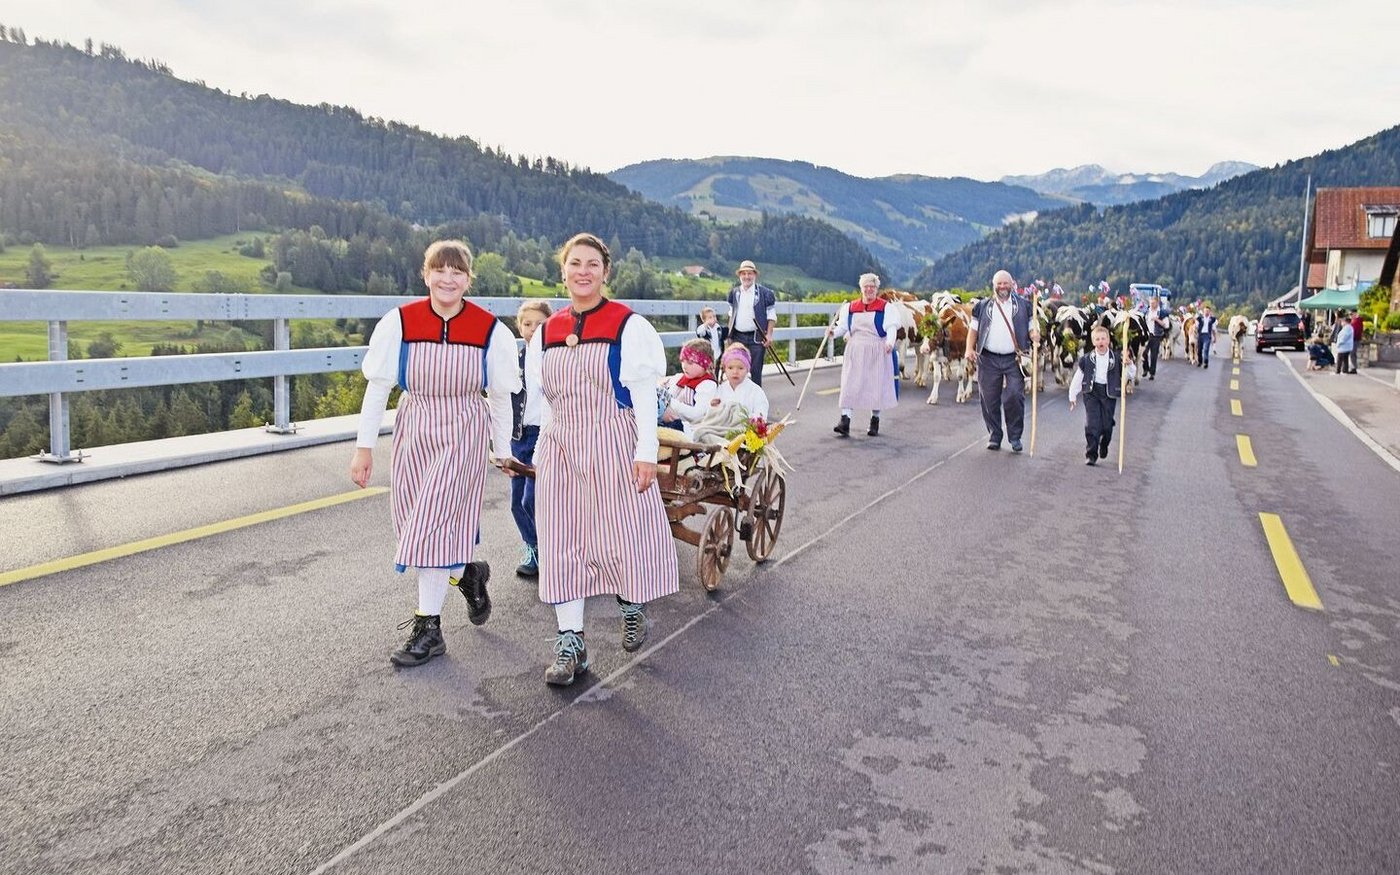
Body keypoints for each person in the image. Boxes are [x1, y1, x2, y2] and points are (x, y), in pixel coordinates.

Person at [350, 239, 520, 668]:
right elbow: (378, 388)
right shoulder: (400, 322)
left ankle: (429, 628)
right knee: (417, 524)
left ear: (468, 279)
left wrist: (502, 449)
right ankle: (467, 574)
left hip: (463, 429)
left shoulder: (489, 330)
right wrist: (364, 448)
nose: (448, 278)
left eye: (457, 271)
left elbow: (501, 397)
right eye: (439, 270)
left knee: (430, 525)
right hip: (414, 427)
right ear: (425, 275)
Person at [519, 233, 679, 687]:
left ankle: (631, 604)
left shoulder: (627, 325)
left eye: (592, 264)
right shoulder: (547, 332)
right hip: (563, 443)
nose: (583, 271)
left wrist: (645, 453)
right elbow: (542, 400)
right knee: (561, 540)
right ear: (563, 271)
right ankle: (571, 643)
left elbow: (643, 395)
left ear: (606, 272)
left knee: (618, 532)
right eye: (575, 263)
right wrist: (539, 448)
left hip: (612, 437)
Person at [965, 269, 1040, 452]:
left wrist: (1034, 335)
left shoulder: (1024, 306)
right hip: (988, 358)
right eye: (999, 284)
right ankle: (995, 435)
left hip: (1015, 358)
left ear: (1012, 284)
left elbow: (1032, 327)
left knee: (1014, 396)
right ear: (994, 286)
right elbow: (973, 330)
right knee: (988, 399)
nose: (1002, 286)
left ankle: (1015, 437)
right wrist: (969, 348)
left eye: (1005, 283)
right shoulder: (982, 306)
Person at [510, 299, 552, 578]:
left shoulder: (553, 358)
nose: (534, 329)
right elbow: (502, 399)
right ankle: (533, 548)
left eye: (540, 324)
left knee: (532, 499)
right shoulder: (514, 360)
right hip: (518, 437)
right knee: (517, 502)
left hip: (543, 434)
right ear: (519, 327)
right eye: (528, 324)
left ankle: (552, 547)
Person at [826, 273, 898, 437]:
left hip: (876, 349)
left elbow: (891, 327)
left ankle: (874, 420)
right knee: (849, 383)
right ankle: (845, 420)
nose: (869, 289)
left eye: (872, 286)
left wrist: (890, 342)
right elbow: (843, 327)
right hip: (855, 349)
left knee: (875, 385)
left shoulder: (885, 308)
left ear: (876, 289)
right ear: (861, 288)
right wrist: (833, 333)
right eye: (866, 286)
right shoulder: (851, 307)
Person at [1068, 324, 1136, 466]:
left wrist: (1129, 364)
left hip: (1108, 393)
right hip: (1091, 393)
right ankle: (1091, 454)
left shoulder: (1116, 358)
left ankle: (1104, 443)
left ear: (1108, 340)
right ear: (1093, 342)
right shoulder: (1086, 359)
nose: (1100, 342)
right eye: (1097, 339)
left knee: (1106, 425)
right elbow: (1078, 377)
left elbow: (1130, 375)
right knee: (1092, 424)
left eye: (1103, 339)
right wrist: (1072, 395)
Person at [725, 259, 777, 386]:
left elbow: (771, 315)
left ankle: (756, 396)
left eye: (749, 273)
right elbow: (731, 314)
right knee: (736, 369)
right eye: (743, 273)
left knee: (756, 371)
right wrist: (728, 335)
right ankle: (737, 395)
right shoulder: (734, 293)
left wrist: (769, 335)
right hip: (737, 337)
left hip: (757, 337)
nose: (746, 277)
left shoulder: (765, 293)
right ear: (739, 275)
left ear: (755, 275)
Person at [659, 338, 719, 437]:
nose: (685, 366)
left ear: (705, 364)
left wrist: (669, 401)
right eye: (683, 361)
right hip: (670, 421)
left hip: (691, 429)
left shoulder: (707, 385)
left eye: (690, 362)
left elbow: (697, 415)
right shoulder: (679, 378)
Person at [711, 343, 770, 419]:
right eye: (730, 368)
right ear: (724, 369)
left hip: (746, 426)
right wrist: (713, 407)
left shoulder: (756, 391)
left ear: (747, 369)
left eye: (740, 368)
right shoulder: (721, 389)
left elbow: (761, 415)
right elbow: (714, 414)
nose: (735, 372)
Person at [1143, 295, 1169, 379]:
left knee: (1153, 355)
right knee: (1143, 352)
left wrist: (1157, 319)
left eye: (1153, 303)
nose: (1151, 304)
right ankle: (1145, 368)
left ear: (1157, 303)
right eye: (1150, 303)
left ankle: (1152, 373)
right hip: (1147, 335)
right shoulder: (1147, 311)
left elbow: (1166, 325)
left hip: (1156, 336)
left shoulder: (1162, 312)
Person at [695, 306, 724, 376]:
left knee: (717, 368)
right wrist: (706, 324)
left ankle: (716, 378)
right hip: (708, 352)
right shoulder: (704, 329)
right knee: (709, 369)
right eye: (710, 317)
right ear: (704, 320)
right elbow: (699, 332)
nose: (713, 319)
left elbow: (723, 336)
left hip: (718, 351)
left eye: (714, 316)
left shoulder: (718, 327)